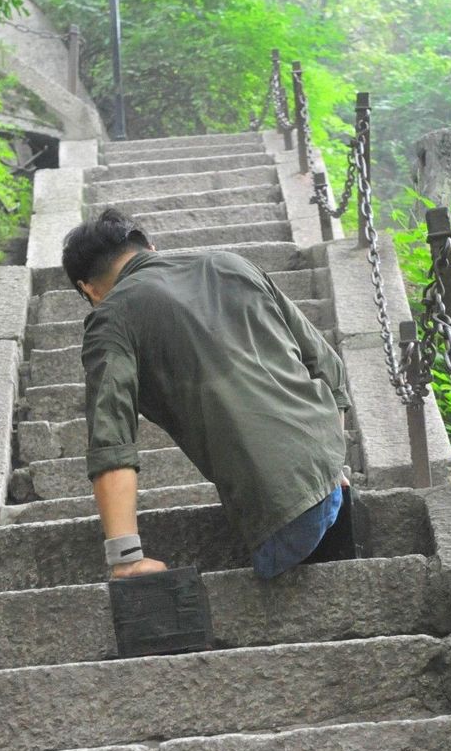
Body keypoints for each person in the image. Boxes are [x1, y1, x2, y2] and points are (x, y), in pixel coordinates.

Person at [62, 208, 351, 581]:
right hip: (332, 480)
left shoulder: (112, 317)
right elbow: (328, 368)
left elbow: (111, 441)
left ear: (88, 289)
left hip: (286, 517)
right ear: (150, 247)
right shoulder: (233, 264)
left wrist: (126, 558)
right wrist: (330, 468)